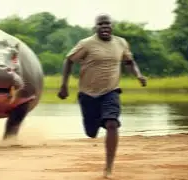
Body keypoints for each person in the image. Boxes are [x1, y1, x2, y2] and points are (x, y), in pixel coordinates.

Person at [57, 14, 147, 177]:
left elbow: (129, 61)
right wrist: (64, 85)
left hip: (111, 92)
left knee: (112, 123)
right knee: (91, 133)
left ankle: (109, 167)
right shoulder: (86, 44)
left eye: (108, 24)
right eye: (101, 24)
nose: (105, 26)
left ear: (112, 27)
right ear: (95, 27)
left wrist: (138, 75)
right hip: (88, 94)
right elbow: (69, 60)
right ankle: (99, 121)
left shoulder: (121, 43)